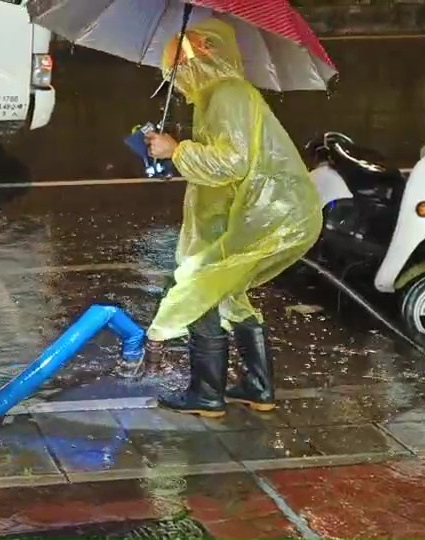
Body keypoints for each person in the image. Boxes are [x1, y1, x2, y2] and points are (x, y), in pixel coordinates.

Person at [143, 18, 323, 419]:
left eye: (180, 65)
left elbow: (232, 162)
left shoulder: (227, 94)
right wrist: (175, 148)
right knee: (227, 289)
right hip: (256, 212)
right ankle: (258, 388)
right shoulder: (219, 97)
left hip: (267, 213)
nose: (177, 77)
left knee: (202, 280)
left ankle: (207, 393)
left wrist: (176, 151)